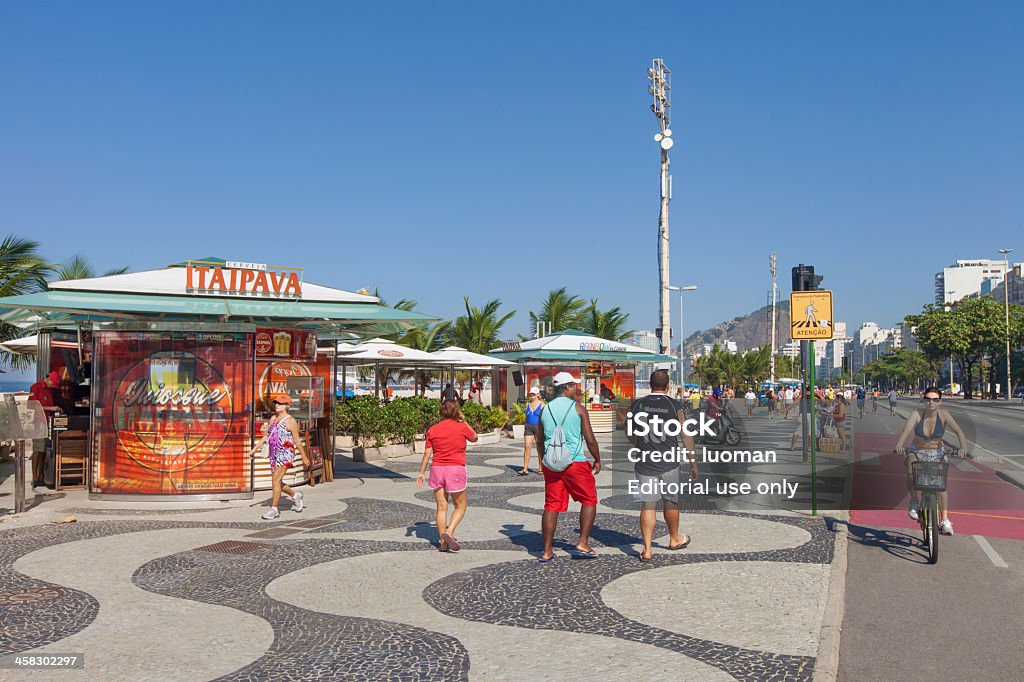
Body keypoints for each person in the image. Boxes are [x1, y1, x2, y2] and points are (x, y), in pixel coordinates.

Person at [628, 369, 697, 561]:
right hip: (669, 464)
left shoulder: (637, 405)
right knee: (671, 501)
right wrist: (693, 463)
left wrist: (639, 444)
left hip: (645, 463)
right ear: (668, 386)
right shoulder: (675, 406)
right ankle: (674, 538)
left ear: (650, 385)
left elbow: (629, 433)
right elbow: (685, 435)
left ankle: (647, 549)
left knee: (648, 505)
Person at [536, 371, 601, 562]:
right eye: (574, 385)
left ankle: (547, 550)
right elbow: (590, 440)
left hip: (552, 464)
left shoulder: (544, 409)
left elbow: (539, 441)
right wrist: (597, 459)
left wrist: (543, 461)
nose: (576, 388)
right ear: (567, 387)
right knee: (589, 499)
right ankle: (582, 542)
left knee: (551, 505)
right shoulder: (578, 409)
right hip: (575, 462)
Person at [895, 386, 969, 535]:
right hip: (917, 450)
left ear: (940, 402)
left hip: (937, 452)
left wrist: (963, 448)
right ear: (924, 400)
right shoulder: (916, 414)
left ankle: (945, 520)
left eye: (935, 400)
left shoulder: (944, 415)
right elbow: (906, 431)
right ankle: (914, 500)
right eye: (928, 399)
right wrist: (899, 445)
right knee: (911, 470)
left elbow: (958, 431)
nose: (931, 403)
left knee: (941, 486)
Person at [416, 399, 478, 551]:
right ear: (456, 411)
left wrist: (422, 473)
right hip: (455, 469)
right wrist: (465, 421)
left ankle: (443, 543)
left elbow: (427, 453)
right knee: (461, 506)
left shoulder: (432, 429)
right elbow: (475, 437)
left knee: (441, 507)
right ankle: (449, 532)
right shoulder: (461, 427)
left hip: (437, 470)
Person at [249, 394, 309, 519]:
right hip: (274, 453)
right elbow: (266, 436)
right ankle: (295, 495)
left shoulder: (291, 421)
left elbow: (297, 441)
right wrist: (255, 448)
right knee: (277, 481)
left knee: (275, 480)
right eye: (276, 403)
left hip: (285, 453)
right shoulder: (273, 419)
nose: (277, 405)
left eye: (280, 403)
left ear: (287, 405)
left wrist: (304, 457)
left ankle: (274, 509)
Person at [28, 371, 61, 488]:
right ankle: (34, 477)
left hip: (47, 422)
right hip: (38, 422)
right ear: (49, 379)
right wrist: (51, 408)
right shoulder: (36, 387)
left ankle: (41, 475)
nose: (53, 386)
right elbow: (30, 405)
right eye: (53, 383)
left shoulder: (48, 390)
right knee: (37, 448)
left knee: (43, 449)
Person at [520, 386, 545, 475]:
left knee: (539, 447)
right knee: (527, 447)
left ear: (538, 394)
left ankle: (541, 467)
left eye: (533, 394)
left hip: (538, 427)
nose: (532, 395)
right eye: (531, 394)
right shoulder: (527, 404)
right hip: (529, 427)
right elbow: (527, 417)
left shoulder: (542, 405)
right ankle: (525, 468)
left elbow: (545, 418)